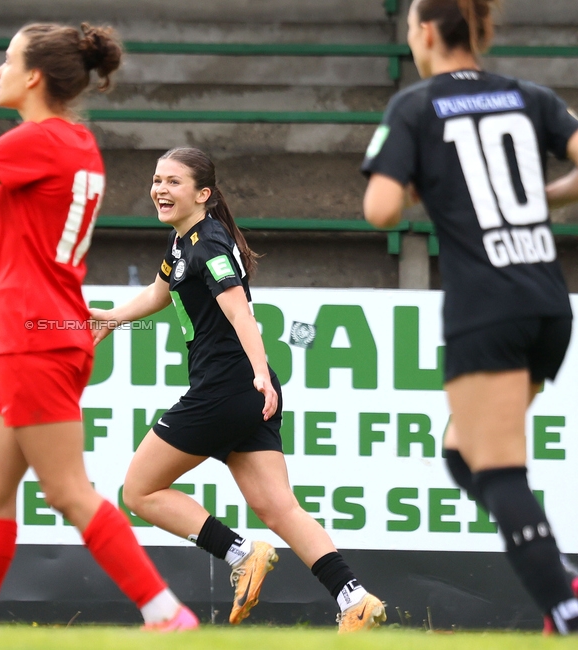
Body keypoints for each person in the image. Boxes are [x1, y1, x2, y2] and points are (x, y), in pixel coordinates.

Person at [0, 22, 197, 630]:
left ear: (34, 77)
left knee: (70, 493)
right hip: (53, 334)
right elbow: (32, 205)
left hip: (35, 339)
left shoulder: (35, 140)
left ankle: (166, 613)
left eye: (7, 61)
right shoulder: (77, 142)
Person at [89, 147, 385, 632]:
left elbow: (239, 311)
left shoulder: (208, 244)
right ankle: (354, 598)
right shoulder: (184, 241)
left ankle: (240, 552)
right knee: (278, 507)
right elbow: (159, 293)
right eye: (157, 179)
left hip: (226, 389)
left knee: (139, 490)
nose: (160, 189)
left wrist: (260, 376)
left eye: (173, 182)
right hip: (243, 391)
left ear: (202, 194)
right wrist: (115, 318)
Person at [362, 0, 578, 634]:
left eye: (408, 29)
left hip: (487, 306)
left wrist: (419, 183)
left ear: (426, 31)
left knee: (497, 466)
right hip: (546, 301)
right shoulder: (526, 95)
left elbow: (379, 210)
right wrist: (547, 195)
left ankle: (564, 603)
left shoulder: (415, 105)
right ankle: (554, 576)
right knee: (462, 451)